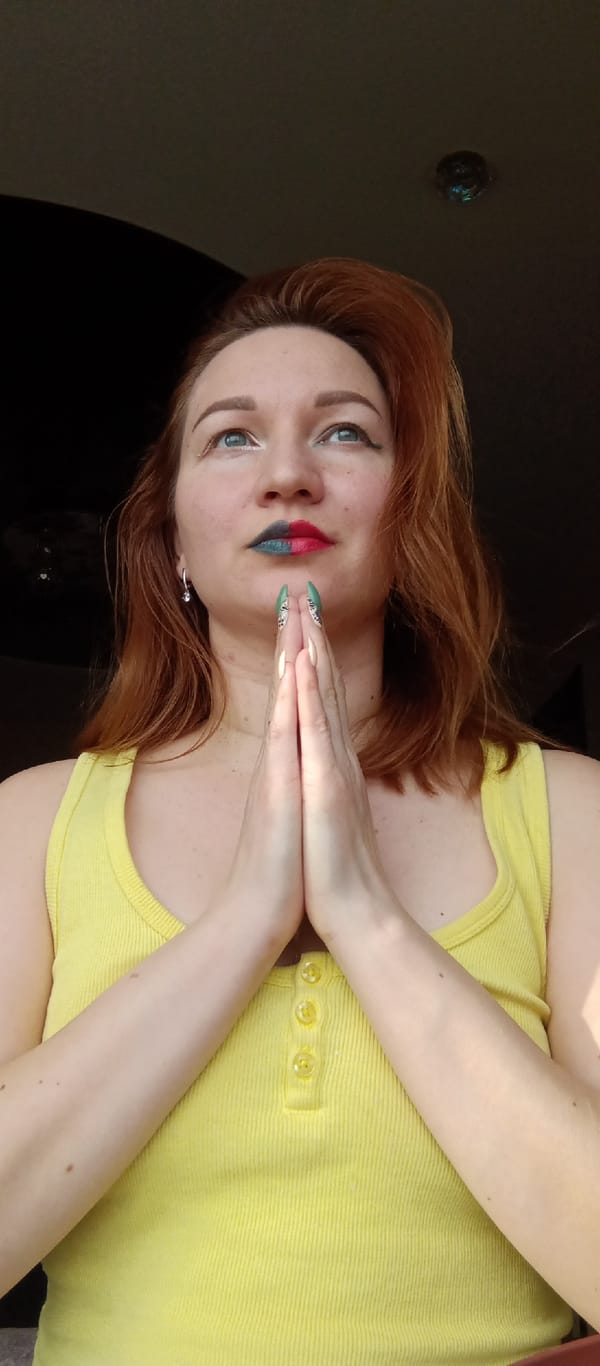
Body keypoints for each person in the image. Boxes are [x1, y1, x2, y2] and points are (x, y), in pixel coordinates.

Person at [0, 257, 598, 1366]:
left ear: (407, 511)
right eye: (231, 437)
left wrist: (366, 914)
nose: (286, 474)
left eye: (345, 433)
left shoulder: (573, 814)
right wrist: (247, 917)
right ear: (172, 540)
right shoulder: (31, 826)